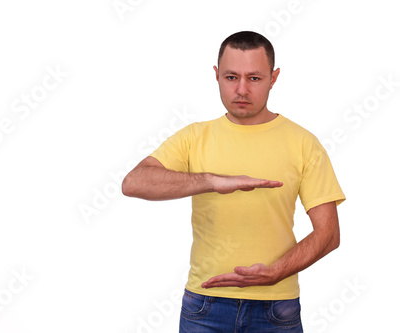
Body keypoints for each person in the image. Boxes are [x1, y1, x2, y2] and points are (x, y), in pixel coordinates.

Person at [121, 31, 345, 332]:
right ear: (216, 76)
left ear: (273, 77)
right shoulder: (194, 137)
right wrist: (211, 181)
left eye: (254, 78)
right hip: (205, 305)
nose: (241, 89)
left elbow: (329, 234)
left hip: (277, 308)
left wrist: (274, 273)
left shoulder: (304, 143)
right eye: (231, 77)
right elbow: (134, 182)